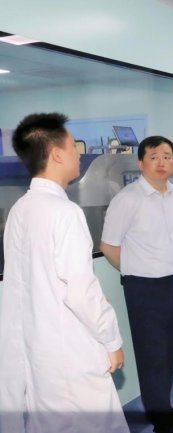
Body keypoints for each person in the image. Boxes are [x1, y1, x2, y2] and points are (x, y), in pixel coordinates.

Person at [0, 112, 128, 433]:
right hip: (70, 355)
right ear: (56, 154)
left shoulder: (19, 210)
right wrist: (111, 340)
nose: (79, 153)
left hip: (38, 355)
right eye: (73, 147)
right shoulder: (65, 212)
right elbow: (81, 291)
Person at [100, 136, 173, 433]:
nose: (162, 162)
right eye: (154, 157)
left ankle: (163, 405)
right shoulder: (127, 199)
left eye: (167, 156)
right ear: (140, 163)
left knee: (170, 348)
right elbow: (108, 246)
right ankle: (158, 415)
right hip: (144, 288)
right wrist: (136, 270)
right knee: (152, 353)